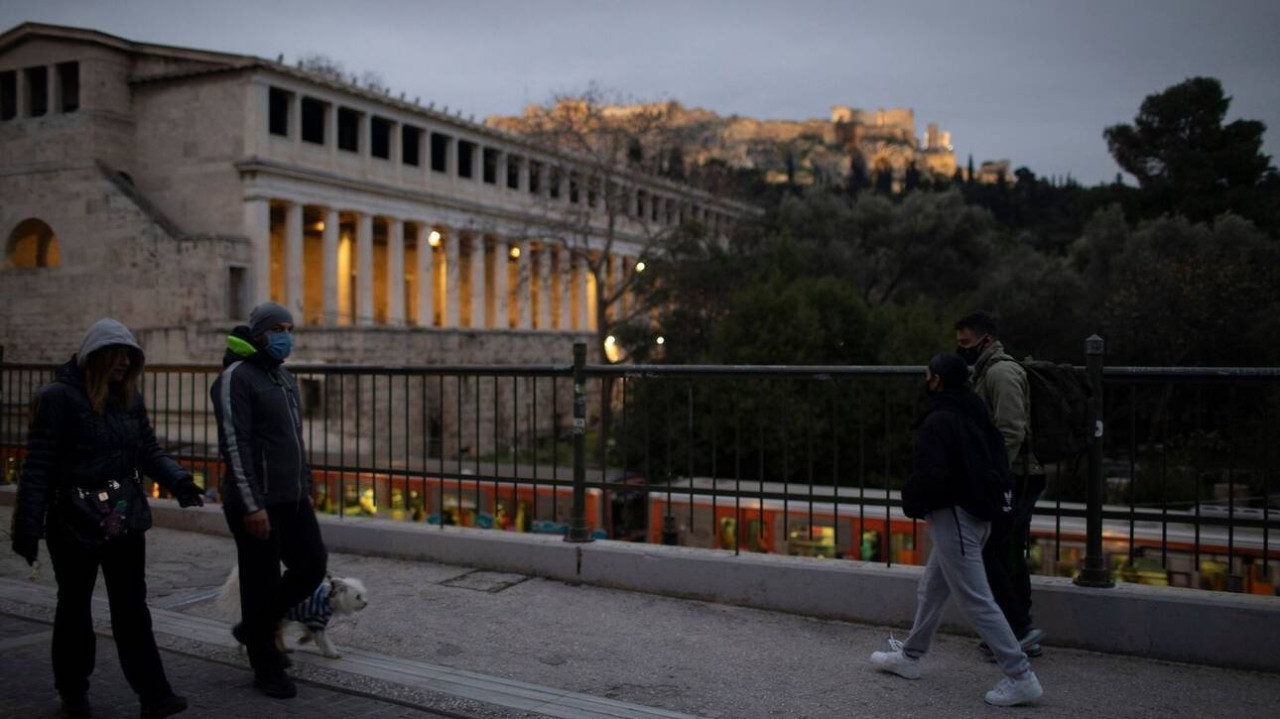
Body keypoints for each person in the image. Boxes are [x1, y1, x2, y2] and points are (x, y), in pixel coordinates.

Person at [9, 319, 204, 719]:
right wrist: (27, 527)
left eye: (130, 357)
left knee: (132, 609)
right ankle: (73, 692)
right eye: (118, 355)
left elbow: (148, 449)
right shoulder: (58, 398)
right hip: (72, 521)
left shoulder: (129, 399)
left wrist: (179, 480)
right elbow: (39, 467)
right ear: (97, 356)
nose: (124, 364)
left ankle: (154, 694)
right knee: (74, 609)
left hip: (123, 517)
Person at [870, 354, 1043, 707]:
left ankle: (1020, 675)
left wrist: (912, 503)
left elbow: (930, 474)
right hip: (978, 515)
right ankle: (911, 656)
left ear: (937, 380)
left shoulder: (939, 421)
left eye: (927, 375)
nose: (926, 380)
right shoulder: (974, 410)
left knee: (976, 600)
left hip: (955, 518)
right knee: (932, 588)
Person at [210, 302, 326, 699]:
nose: (286, 335)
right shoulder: (235, 378)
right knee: (259, 583)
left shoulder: (284, 377)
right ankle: (266, 668)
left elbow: (295, 439)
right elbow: (235, 445)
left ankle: (253, 627)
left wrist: (305, 484)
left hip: (292, 497)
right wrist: (251, 504)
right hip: (255, 500)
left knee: (312, 565)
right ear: (259, 332)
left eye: (290, 328)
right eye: (278, 327)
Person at [955, 311, 1046, 654]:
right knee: (1002, 551)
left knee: (1003, 552)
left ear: (987, 339)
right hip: (1010, 477)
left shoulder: (1002, 373)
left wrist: (994, 476)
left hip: (1017, 477)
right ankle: (1014, 631)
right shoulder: (985, 372)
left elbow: (1011, 431)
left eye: (966, 343)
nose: (962, 349)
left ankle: (1018, 633)